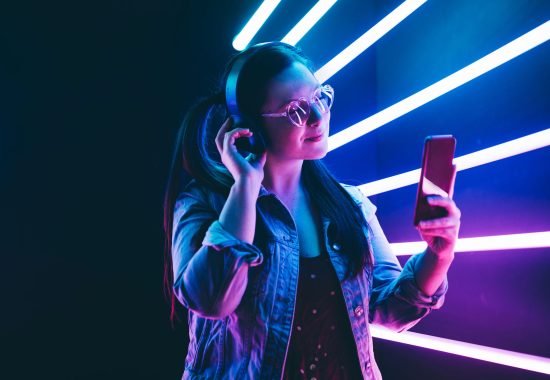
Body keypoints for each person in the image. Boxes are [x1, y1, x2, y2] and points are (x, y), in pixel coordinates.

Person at [163, 42, 461, 380]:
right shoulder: (206, 203)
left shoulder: (349, 204)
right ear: (249, 126)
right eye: (296, 110)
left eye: (320, 98)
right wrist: (245, 186)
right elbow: (210, 301)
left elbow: (391, 309)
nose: (318, 117)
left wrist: (438, 256)